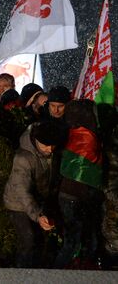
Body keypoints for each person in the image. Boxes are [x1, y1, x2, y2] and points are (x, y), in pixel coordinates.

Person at [3, 121, 64, 268]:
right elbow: (22, 191)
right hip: (18, 203)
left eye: (52, 145)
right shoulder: (23, 158)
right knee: (28, 239)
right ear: (36, 141)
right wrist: (38, 215)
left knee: (41, 241)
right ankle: (21, 272)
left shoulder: (53, 153)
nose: (49, 149)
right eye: (45, 146)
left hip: (38, 199)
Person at [54, 99, 104, 268]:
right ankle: (58, 274)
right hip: (78, 196)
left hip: (68, 195)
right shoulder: (87, 138)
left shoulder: (72, 133)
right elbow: (88, 170)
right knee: (75, 241)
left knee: (74, 240)